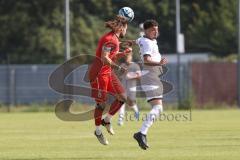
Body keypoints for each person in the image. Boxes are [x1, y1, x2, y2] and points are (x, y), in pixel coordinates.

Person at [88, 15, 132, 145]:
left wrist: (122, 54)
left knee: (123, 97)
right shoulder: (110, 39)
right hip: (98, 74)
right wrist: (119, 67)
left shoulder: (115, 40)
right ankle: (97, 131)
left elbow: (111, 55)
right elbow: (104, 58)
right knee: (102, 104)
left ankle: (106, 120)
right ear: (121, 27)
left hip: (108, 72)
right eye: (126, 28)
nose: (126, 31)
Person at [133, 20, 168, 150]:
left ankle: (141, 133)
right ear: (147, 30)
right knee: (158, 108)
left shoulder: (143, 39)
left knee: (159, 108)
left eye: (157, 29)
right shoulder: (147, 42)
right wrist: (159, 63)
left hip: (150, 76)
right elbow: (147, 60)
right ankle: (141, 133)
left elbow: (136, 41)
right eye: (153, 29)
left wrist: (128, 43)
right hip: (150, 76)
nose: (156, 31)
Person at [117, 53, 141, 126]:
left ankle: (136, 112)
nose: (127, 58)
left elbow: (139, 76)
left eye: (128, 57)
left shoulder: (135, 66)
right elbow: (119, 75)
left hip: (132, 87)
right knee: (121, 103)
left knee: (131, 104)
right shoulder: (122, 65)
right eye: (126, 57)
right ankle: (120, 120)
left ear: (131, 57)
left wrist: (131, 76)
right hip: (123, 87)